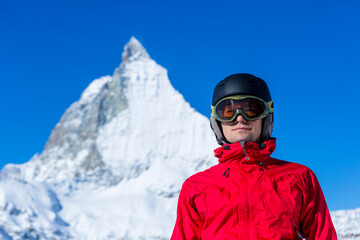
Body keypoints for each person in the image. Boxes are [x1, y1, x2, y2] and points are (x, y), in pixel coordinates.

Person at [171, 73, 337, 239]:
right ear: (217, 122)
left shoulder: (298, 177)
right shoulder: (196, 187)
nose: (240, 118)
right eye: (228, 112)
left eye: (251, 110)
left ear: (266, 118)